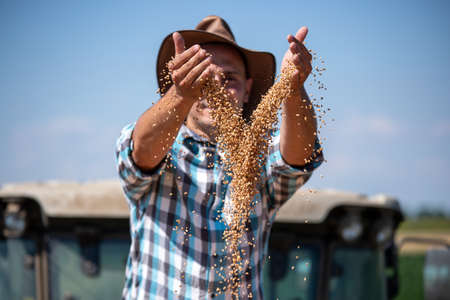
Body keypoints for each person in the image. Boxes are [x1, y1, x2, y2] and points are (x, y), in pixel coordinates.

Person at [116, 15, 323, 300]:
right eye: (202, 77)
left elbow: (297, 157)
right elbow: (140, 152)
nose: (214, 89)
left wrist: (292, 87)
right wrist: (181, 95)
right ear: (181, 77)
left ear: (248, 88)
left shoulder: (258, 152)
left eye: (229, 79)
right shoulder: (165, 146)